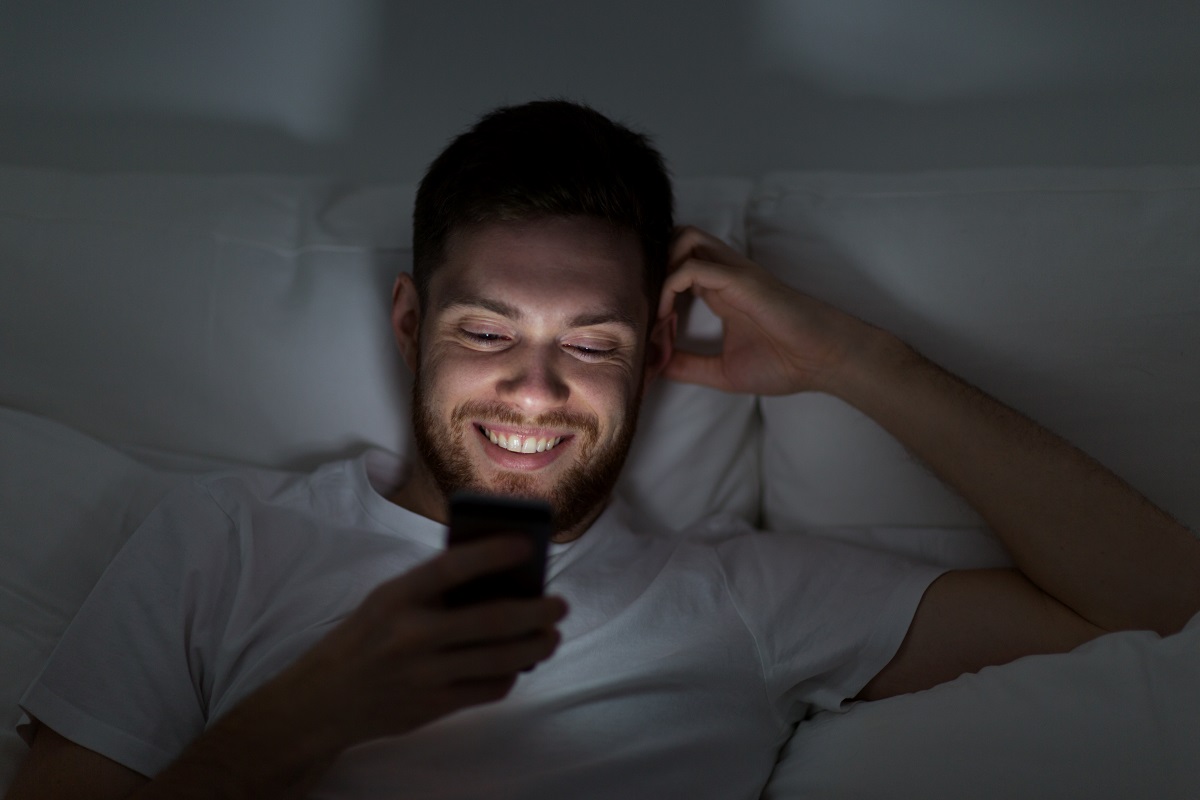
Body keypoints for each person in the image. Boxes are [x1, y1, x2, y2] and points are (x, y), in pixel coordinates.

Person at [8, 100, 1200, 800]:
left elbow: (1169, 607)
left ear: (655, 347)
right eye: (486, 331)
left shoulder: (746, 596)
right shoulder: (223, 538)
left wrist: (862, 365)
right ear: (411, 323)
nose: (535, 386)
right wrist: (313, 713)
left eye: (592, 339)